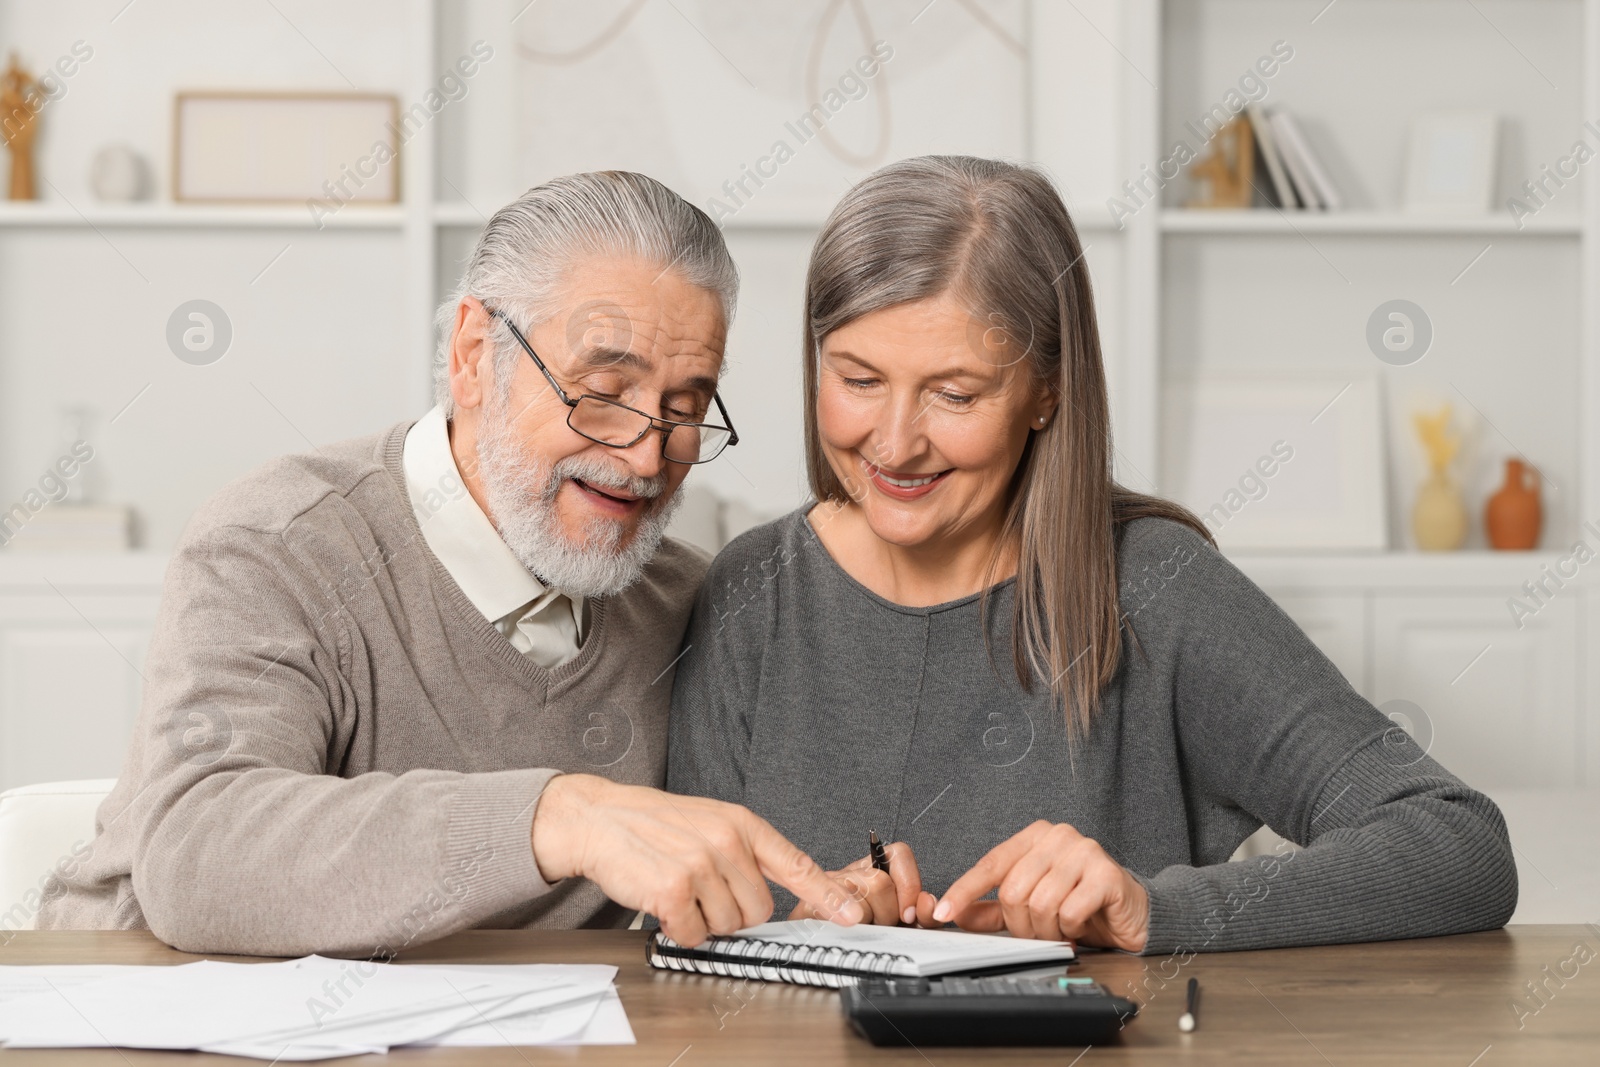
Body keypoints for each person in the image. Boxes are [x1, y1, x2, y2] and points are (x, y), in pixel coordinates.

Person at [667, 155, 1518, 955]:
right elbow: (680, 926)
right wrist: (824, 924)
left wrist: (1152, 907)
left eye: (954, 394)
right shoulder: (751, 593)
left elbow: (1458, 843)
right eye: (857, 380)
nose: (894, 443)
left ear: (1047, 391)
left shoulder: (1154, 587)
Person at [37, 171, 859, 956]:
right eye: (603, 390)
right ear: (473, 353)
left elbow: (699, 871)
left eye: (684, 408)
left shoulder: (683, 600)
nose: (647, 456)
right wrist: (555, 815)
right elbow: (201, 855)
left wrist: (821, 897)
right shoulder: (278, 541)